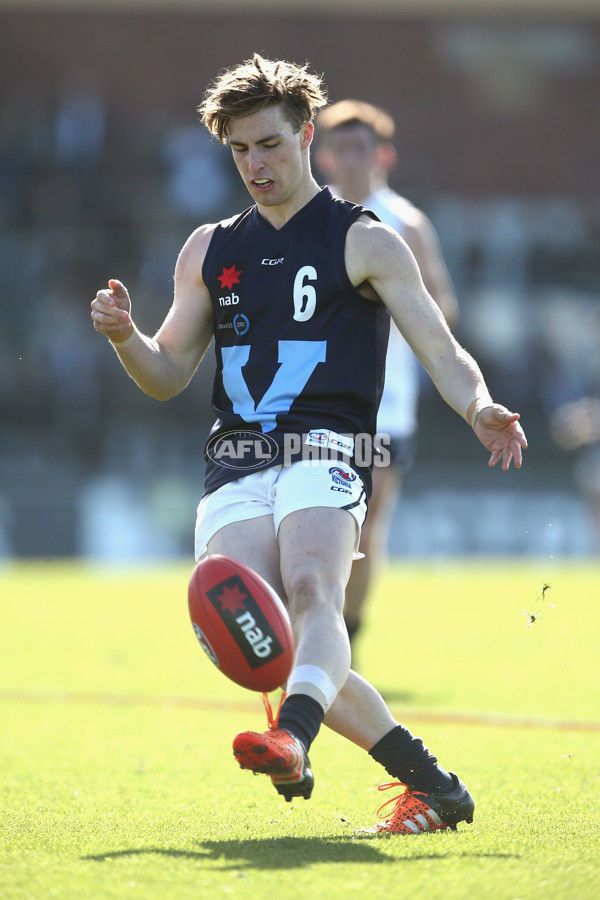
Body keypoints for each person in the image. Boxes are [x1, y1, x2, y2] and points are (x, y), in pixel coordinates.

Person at [91, 54, 527, 835]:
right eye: (240, 150)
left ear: (306, 135)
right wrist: (125, 337)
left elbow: (440, 345)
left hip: (327, 449)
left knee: (314, 595)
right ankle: (434, 785)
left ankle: (293, 733)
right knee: (258, 638)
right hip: (234, 462)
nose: (256, 164)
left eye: (270, 145)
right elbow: (164, 375)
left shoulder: (368, 240)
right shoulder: (209, 248)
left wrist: (480, 404)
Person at [315, 99, 459, 650]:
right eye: (341, 148)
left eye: (362, 148)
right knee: (309, 520)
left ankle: (345, 640)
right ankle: (315, 633)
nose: (352, 160)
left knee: (366, 526)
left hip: (384, 405)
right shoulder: (311, 220)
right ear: (324, 157)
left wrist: (386, 303)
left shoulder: (405, 226)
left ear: (384, 155)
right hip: (310, 401)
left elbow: (444, 310)